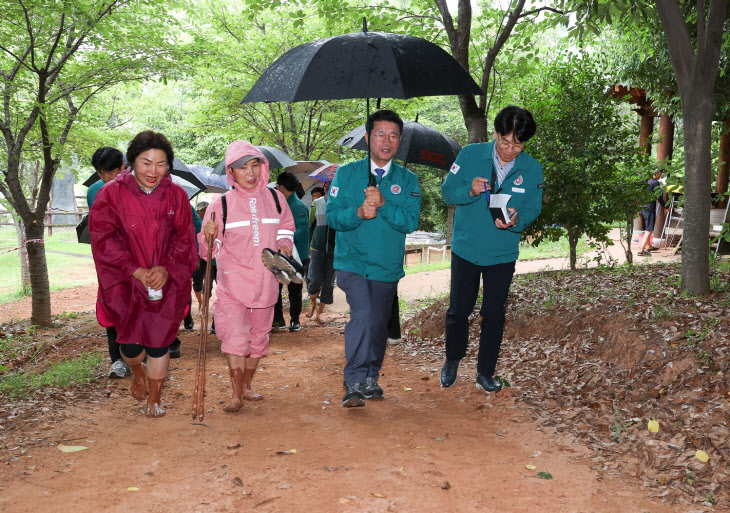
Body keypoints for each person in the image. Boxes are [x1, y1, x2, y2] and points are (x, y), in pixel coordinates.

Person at [89, 131, 197, 417]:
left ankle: (155, 399)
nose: (153, 171)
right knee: (131, 345)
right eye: (146, 163)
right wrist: (134, 269)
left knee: (159, 342)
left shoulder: (175, 195)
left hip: (164, 282)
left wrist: (166, 268)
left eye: (161, 164)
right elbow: (103, 238)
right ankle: (137, 371)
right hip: (126, 282)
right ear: (132, 162)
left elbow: (185, 239)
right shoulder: (111, 193)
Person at [439, 105, 543, 394]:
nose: (510, 150)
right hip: (467, 249)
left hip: (502, 253)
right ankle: (452, 359)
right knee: (459, 311)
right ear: (495, 133)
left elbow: (534, 207)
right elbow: (447, 192)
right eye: (505, 142)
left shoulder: (532, 168)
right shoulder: (471, 155)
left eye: (518, 144)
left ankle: (485, 372)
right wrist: (469, 191)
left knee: (494, 314)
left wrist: (517, 219)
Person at [327, 109, 421, 407]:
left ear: (399, 141)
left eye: (393, 135)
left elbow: (409, 222)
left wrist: (384, 203)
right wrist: (357, 213)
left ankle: (371, 376)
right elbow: (331, 217)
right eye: (380, 134)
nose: (386, 141)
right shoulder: (347, 173)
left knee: (379, 325)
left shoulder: (407, 180)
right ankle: (353, 380)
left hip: (386, 266)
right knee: (364, 314)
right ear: (368, 138)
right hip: (352, 262)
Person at [199, 141, 295, 412]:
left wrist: (285, 244)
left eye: (255, 165)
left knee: (259, 337)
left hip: (267, 282)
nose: (250, 173)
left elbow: (286, 227)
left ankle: (247, 386)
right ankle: (235, 393)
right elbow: (210, 249)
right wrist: (208, 239)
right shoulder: (221, 203)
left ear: (263, 167)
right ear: (232, 171)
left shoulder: (276, 199)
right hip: (233, 284)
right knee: (236, 336)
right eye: (243, 168)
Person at [88, 147, 127, 379]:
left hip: (136, 259)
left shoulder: (139, 188)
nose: (105, 178)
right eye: (101, 173)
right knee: (112, 305)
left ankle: (140, 355)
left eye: (109, 172)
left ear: (123, 167)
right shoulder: (95, 191)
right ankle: (117, 360)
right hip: (108, 262)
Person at [272, 171, 310, 332]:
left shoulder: (298, 206)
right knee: (276, 289)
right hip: (279, 254)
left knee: (294, 289)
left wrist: (283, 237)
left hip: (296, 255)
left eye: (277, 186)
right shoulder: (279, 204)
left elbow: (302, 230)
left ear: (282, 186)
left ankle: (295, 320)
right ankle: (278, 319)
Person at [305, 185, 336, 324]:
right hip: (317, 247)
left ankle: (320, 312)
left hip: (334, 249)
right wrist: (309, 247)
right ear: (325, 189)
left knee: (329, 281)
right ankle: (313, 302)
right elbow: (309, 225)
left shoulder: (342, 203)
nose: (330, 190)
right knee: (314, 278)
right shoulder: (316, 203)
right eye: (328, 187)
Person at [191, 201, 217, 315]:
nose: (205, 212)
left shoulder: (213, 223)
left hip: (210, 258)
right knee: (197, 284)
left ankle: (204, 306)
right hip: (197, 257)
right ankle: (201, 302)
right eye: (203, 210)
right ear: (198, 211)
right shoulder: (194, 222)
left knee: (208, 282)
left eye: (207, 210)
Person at [637, 169, 666, 257]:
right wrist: (666, 207)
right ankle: (641, 250)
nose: (661, 175)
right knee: (649, 230)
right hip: (649, 209)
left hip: (644, 208)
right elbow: (659, 198)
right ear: (657, 174)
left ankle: (648, 247)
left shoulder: (648, 182)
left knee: (648, 229)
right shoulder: (655, 183)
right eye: (660, 174)